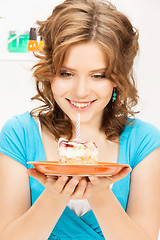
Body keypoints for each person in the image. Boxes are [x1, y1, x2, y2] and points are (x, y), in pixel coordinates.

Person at [0, 0, 160, 239]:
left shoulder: (144, 141)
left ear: (118, 78)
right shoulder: (19, 134)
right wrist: (55, 196)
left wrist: (101, 195)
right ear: (49, 72)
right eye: (66, 73)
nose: (81, 91)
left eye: (98, 75)